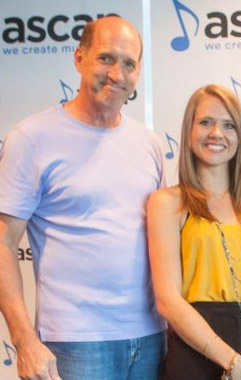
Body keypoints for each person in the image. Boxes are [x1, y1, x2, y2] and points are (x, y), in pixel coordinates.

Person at [0, 16, 166, 380]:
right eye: (106, 58)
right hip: (74, 343)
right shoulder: (32, 139)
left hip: (152, 337)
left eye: (129, 63)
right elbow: (4, 241)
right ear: (79, 58)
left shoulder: (149, 144)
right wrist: (24, 340)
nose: (117, 73)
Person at [147, 84, 241, 380]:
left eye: (228, 125)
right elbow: (168, 299)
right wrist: (233, 364)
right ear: (188, 131)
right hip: (196, 353)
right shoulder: (167, 203)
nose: (216, 133)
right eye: (205, 122)